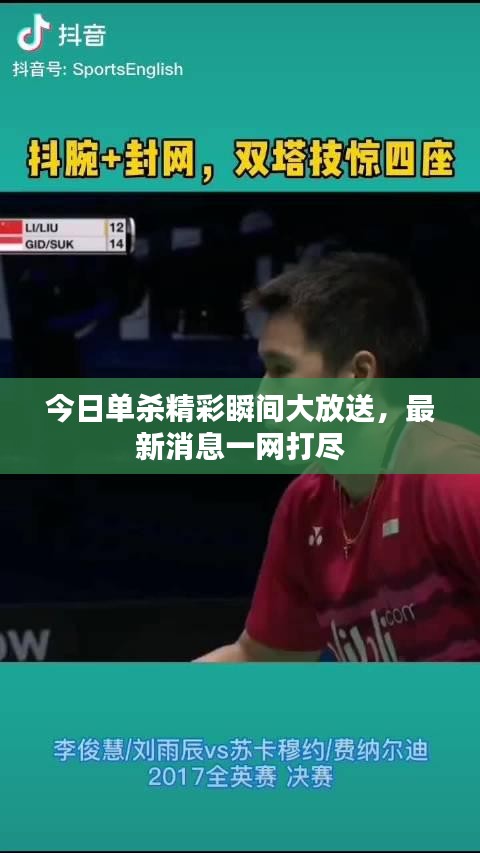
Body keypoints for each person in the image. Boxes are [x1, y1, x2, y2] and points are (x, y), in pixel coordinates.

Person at [195, 251, 480, 663]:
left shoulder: (452, 480)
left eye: (281, 370)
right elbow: (260, 659)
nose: (262, 393)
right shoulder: (306, 506)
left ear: (359, 374)